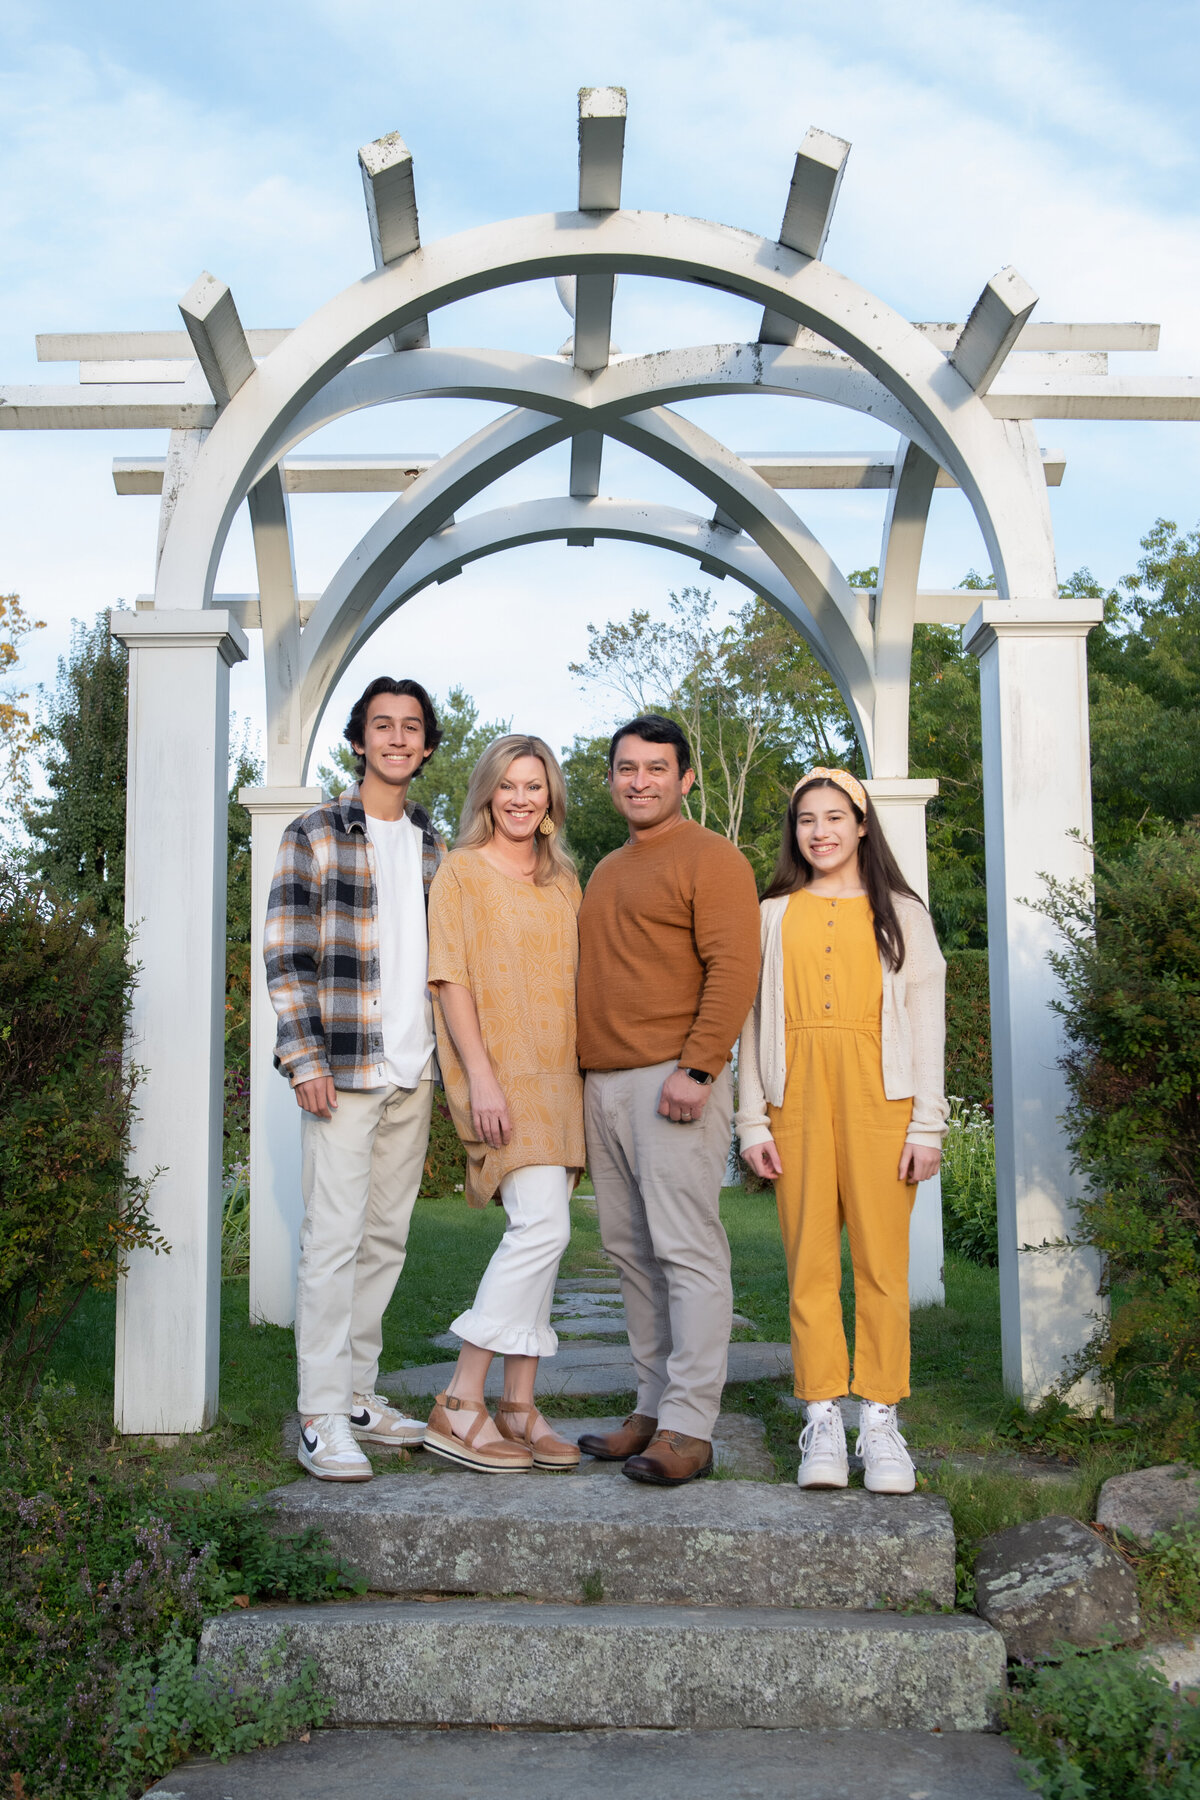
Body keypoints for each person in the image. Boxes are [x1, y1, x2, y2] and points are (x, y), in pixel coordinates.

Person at [736, 768, 948, 1495]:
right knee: (809, 1264)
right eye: (805, 820)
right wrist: (749, 1118)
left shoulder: (902, 914)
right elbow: (751, 1024)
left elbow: (928, 1027)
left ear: (862, 825)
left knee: (884, 1267)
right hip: (794, 1100)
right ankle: (823, 1417)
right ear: (794, 832)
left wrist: (928, 1124)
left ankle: (881, 1422)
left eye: (834, 817)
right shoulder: (771, 912)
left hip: (881, 1102)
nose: (820, 831)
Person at [265, 676, 444, 1483]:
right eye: (383, 726)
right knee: (332, 1244)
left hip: (413, 1069)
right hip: (341, 1068)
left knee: (385, 1242)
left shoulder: (435, 844)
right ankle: (318, 1415)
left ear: (428, 745)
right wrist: (304, 1061)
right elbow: (286, 954)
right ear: (360, 740)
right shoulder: (314, 834)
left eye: (411, 727)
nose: (397, 738)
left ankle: (360, 1396)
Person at [574, 715, 761, 1486]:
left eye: (656, 768)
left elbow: (734, 966)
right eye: (626, 768)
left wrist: (700, 1067)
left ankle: (690, 1425)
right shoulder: (607, 870)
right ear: (612, 777)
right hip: (604, 1083)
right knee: (630, 1254)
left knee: (687, 1252)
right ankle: (649, 1408)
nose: (639, 781)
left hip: (672, 1078)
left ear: (685, 779)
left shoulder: (712, 859)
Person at [421, 734, 585, 1474]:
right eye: (508, 785)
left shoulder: (565, 882)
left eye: (535, 785)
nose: (521, 798)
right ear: (487, 793)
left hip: (563, 1077)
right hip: (501, 1074)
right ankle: (461, 1399)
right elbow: (450, 979)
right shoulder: (459, 872)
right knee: (541, 1228)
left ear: (550, 798)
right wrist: (481, 1077)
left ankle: (519, 1406)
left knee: (545, 1240)